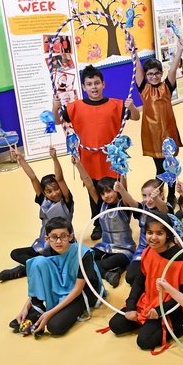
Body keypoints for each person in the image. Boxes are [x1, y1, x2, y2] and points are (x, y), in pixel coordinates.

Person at [53, 65, 140, 240]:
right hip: (89, 159)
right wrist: (55, 107)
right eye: (89, 84)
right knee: (94, 192)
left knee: (116, 190)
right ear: (83, 87)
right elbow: (57, 121)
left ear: (103, 84)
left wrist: (131, 107)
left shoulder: (116, 104)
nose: (94, 87)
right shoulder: (74, 107)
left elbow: (136, 117)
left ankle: (121, 219)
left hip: (112, 159)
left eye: (97, 83)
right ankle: (99, 223)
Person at [107, 211, 183, 351]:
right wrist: (131, 306)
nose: (153, 238)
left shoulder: (179, 258)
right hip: (148, 301)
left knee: (144, 341)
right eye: (149, 233)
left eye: (159, 233)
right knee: (115, 325)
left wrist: (160, 310)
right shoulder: (148, 251)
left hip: (171, 308)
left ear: (168, 234)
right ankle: (147, 321)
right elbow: (139, 282)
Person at [9, 217, 102, 336]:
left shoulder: (83, 254)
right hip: (60, 287)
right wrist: (25, 308)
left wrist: (50, 313)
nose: (58, 241)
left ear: (70, 237)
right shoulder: (47, 254)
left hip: (83, 292)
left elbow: (78, 289)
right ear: (47, 239)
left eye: (63, 236)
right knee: (37, 262)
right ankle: (37, 308)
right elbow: (39, 283)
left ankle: (45, 313)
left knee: (54, 326)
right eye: (54, 237)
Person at [0, 147, 73, 281]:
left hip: (62, 244)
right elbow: (33, 177)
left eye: (56, 189)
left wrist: (54, 158)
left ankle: (26, 269)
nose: (54, 193)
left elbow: (60, 179)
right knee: (15, 253)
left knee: (62, 259)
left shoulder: (66, 200)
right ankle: (41, 266)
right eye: (49, 191)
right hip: (45, 243)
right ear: (44, 193)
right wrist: (21, 159)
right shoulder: (43, 200)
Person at [136, 38, 183, 206]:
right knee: (159, 168)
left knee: (171, 165)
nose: (154, 76)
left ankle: (171, 195)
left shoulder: (167, 86)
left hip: (168, 133)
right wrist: (133, 52)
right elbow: (137, 69)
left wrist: (179, 50)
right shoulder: (144, 88)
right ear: (146, 75)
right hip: (152, 134)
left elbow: (173, 69)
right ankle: (159, 195)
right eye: (150, 74)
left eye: (157, 73)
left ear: (161, 73)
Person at [72, 159, 135, 288]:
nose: (106, 195)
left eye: (109, 191)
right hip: (105, 247)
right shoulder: (102, 204)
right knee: (83, 258)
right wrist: (78, 164)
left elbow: (124, 188)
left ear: (116, 190)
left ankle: (111, 270)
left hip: (124, 250)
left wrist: (122, 169)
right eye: (102, 193)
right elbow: (89, 184)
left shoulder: (124, 204)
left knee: (99, 264)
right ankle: (111, 273)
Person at [119, 179, 172, 285]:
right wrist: (121, 190)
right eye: (144, 195)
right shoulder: (142, 209)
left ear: (161, 195)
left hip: (161, 251)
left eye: (151, 195)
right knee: (131, 277)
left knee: (161, 277)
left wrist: (156, 198)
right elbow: (130, 201)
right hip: (143, 250)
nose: (148, 199)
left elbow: (164, 210)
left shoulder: (166, 207)